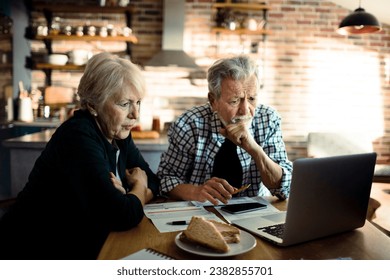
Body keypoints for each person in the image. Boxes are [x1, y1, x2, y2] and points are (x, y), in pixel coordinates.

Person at [0, 52, 159, 259]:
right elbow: (123, 215)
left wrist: (130, 196)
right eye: (124, 104)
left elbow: (154, 181)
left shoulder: (119, 133)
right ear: (93, 105)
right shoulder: (78, 136)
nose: (135, 115)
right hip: (32, 251)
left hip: (81, 242)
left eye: (138, 102)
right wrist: (137, 188)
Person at [157, 55, 292, 206]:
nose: (245, 110)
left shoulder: (268, 119)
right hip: (201, 212)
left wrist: (253, 148)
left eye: (252, 99)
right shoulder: (189, 125)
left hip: (254, 212)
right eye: (234, 101)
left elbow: (283, 189)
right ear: (213, 101)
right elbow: (165, 179)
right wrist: (196, 191)